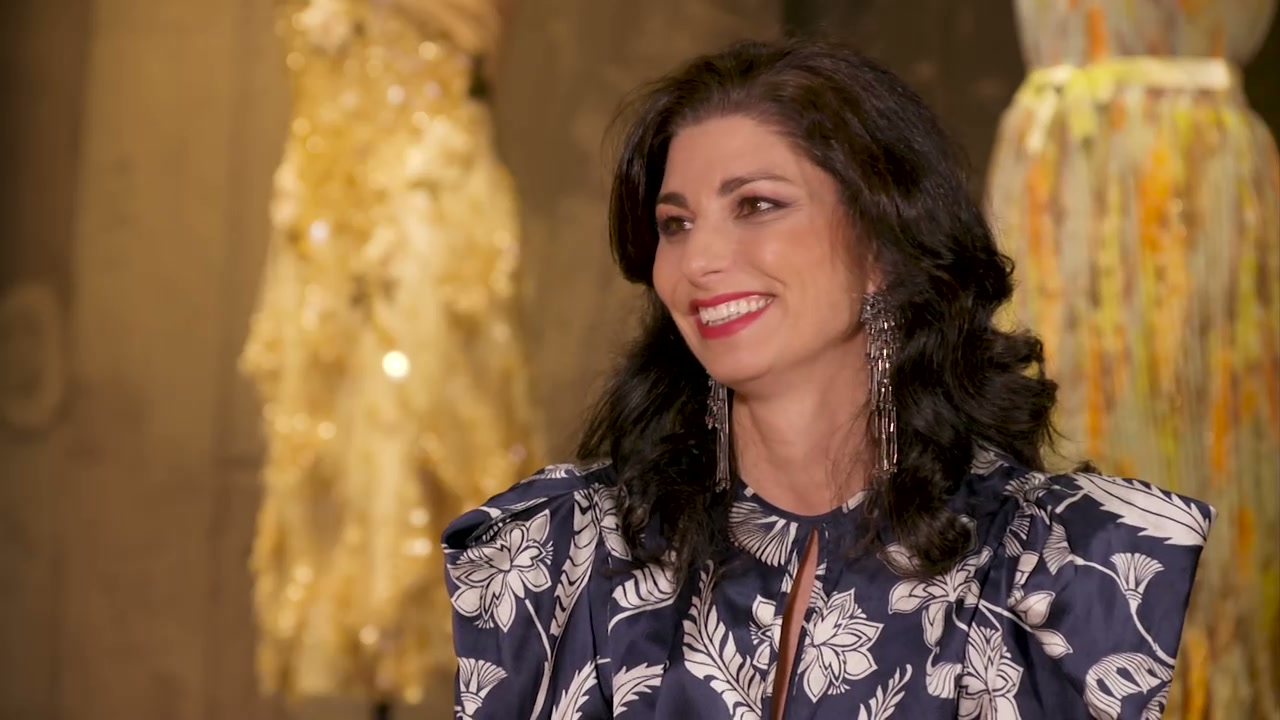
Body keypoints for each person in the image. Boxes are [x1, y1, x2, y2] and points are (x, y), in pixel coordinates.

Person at [443, 39, 1213, 719]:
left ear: (884, 246)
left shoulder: (1069, 568)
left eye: (756, 205)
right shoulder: (560, 554)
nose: (699, 260)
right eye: (676, 224)